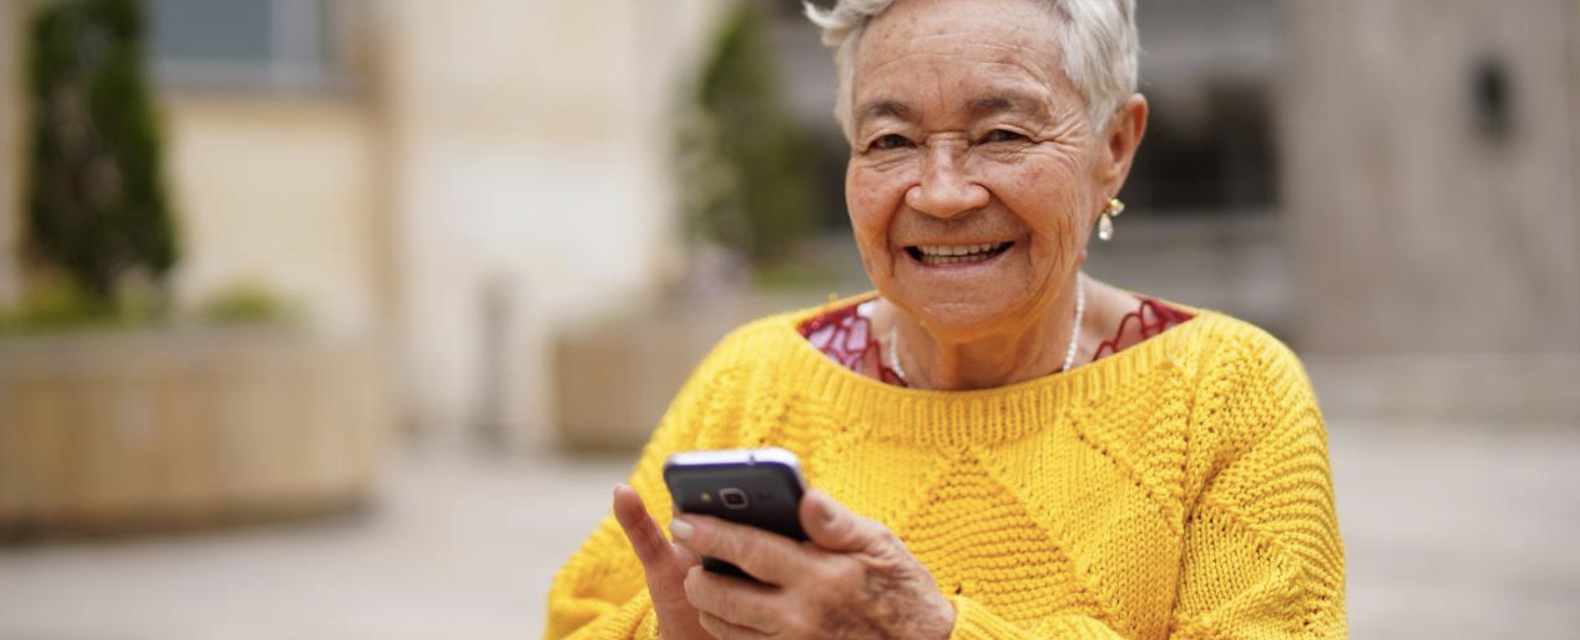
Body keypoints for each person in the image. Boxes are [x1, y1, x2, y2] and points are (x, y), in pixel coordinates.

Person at [546, 0, 1346, 638]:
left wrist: (932, 633)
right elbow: (579, 620)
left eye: (1002, 134)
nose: (940, 192)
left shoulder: (1229, 392)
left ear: (1115, 147)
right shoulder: (752, 378)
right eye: (891, 139)